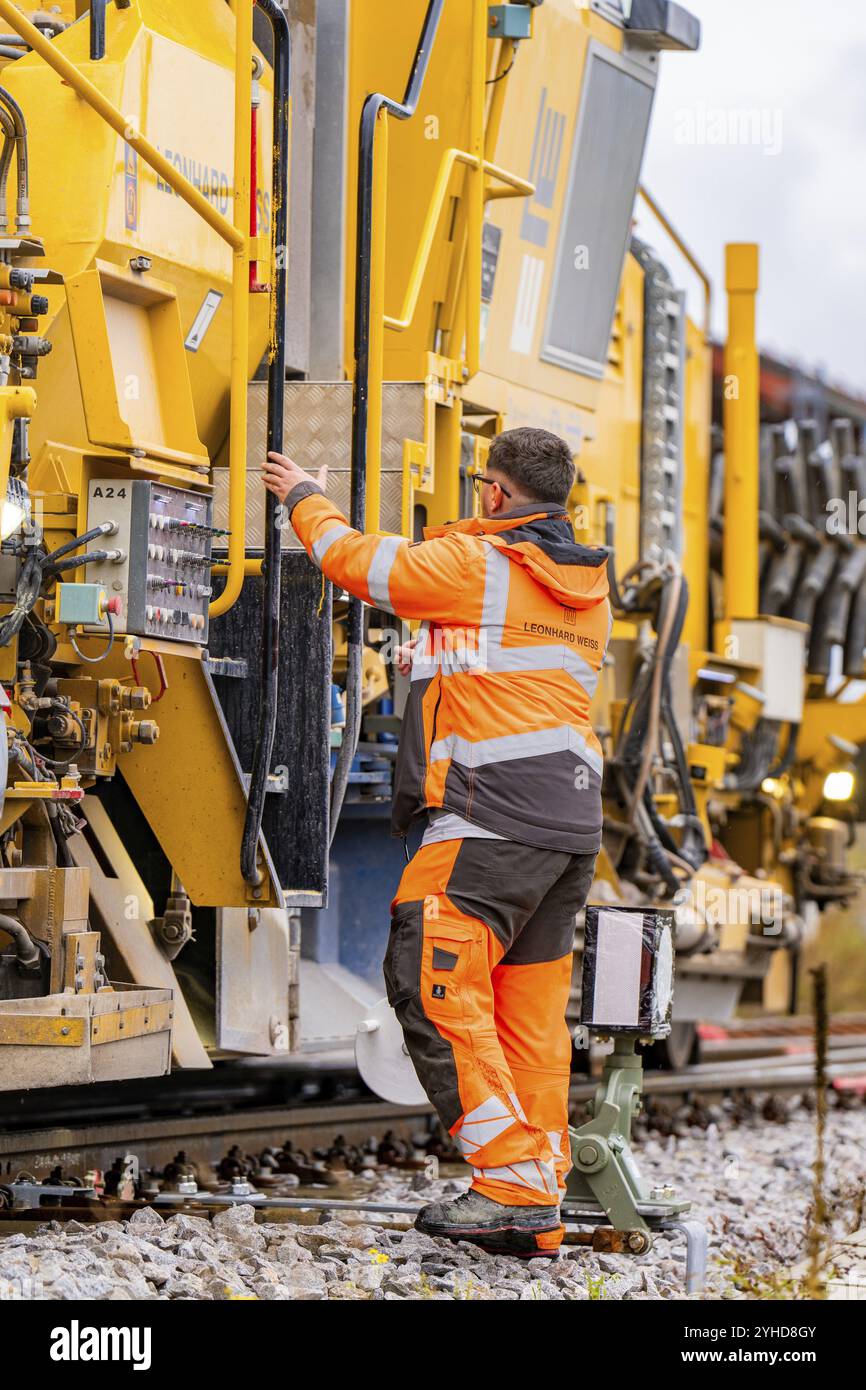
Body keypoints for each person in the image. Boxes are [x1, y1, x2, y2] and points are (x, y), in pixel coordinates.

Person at [262, 426, 610, 1256]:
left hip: (490, 817)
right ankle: (537, 1195)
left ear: (495, 493)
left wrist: (302, 496)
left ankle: (509, 1180)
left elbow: (361, 565)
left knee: (431, 981)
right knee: (528, 1021)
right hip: (569, 826)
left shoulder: (477, 565)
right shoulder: (589, 588)